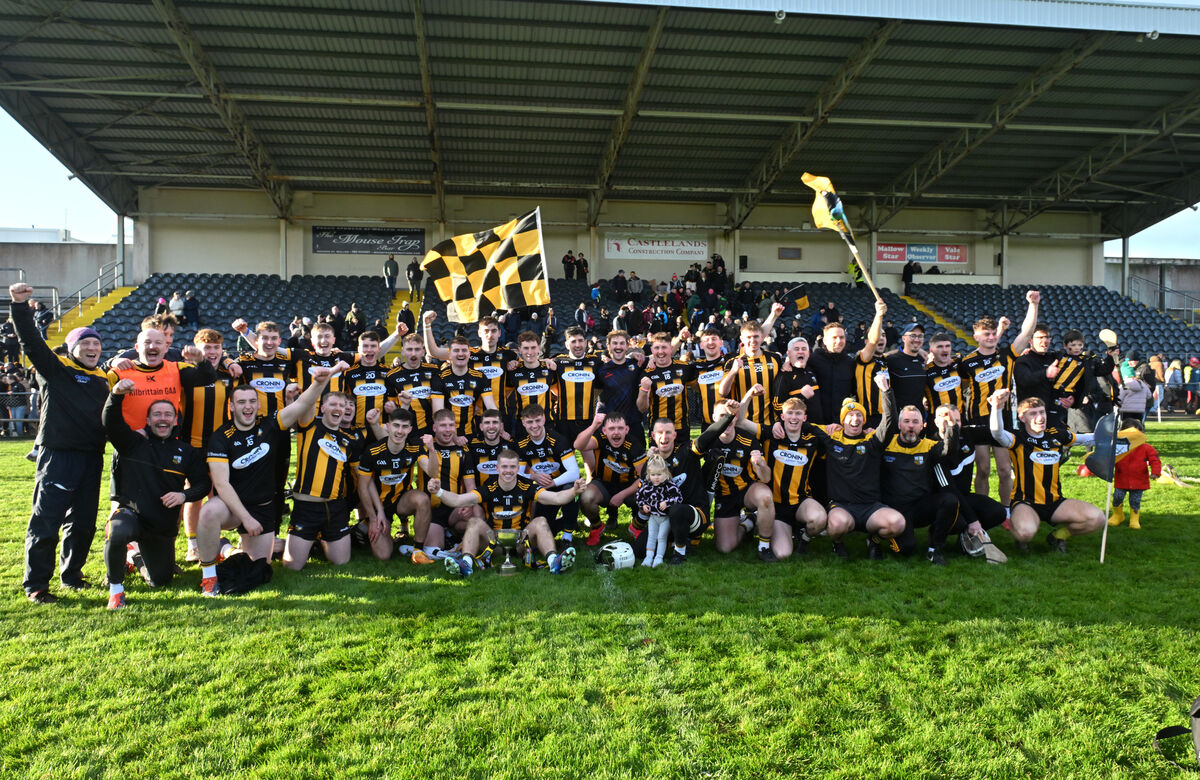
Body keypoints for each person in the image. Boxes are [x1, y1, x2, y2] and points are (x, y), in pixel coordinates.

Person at [10, 283, 110, 603]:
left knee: (83, 523)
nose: (92, 347)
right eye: (85, 343)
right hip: (58, 455)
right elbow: (30, 341)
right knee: (47, 521)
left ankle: (72, 574)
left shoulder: (105, 378)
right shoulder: (57, 369)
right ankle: (37, 585)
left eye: (96, 343)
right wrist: (19, 306)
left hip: (92, 457)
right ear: (71, 348)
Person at [101, 382, 210, 609]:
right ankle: (116, 591)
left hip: (161, 525)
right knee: (117, 530)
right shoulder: (132, 443)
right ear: (148, 420)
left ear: (175, 420)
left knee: (160, 581)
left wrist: (184, 495)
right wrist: (115, 395)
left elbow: (203, 484)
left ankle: (135, 557)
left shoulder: (186, 452)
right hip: (131, 514)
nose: (163, 419)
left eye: (168, 415)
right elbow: (110, 422)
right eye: (157, 414)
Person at [430, 449, 586, 576]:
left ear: (518, 468)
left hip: (522, 542)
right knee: (474, 522)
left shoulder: (527, 486)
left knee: (541, 521)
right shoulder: (489, 487)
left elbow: (557, 497)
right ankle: (466, 565)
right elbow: (457, 501)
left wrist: (574, 490)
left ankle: (554, 563)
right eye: (504, 467)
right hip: (494, 543)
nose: (508, 471)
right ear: (497, 468)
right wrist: (438, 492)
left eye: (512, 467)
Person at [988, 389, 1103, 553]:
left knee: (1097, 518)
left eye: (1042, 412)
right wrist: (997, 408)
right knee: (1025, 533)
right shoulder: (1017, 438)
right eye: (1033, 414)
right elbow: (997, 434)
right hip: (1026, 502)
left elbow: (1086, 438)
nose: (1040, 417)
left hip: (1055, 502)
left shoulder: (1056, 435)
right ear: (1022, 418)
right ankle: (1021, 537)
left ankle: (1058, 536)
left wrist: (1113, 435)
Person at [958, 290, 1039, 504]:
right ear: (976, 337)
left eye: (994, 333)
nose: (991, 337)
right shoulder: (966, 362)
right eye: (986, 334)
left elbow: (1027, 332)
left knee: (1004, 470)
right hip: (977, 420)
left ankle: (1005, 511)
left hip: (1003, 419)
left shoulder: (1007, 355)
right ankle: (983, 511)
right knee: (983, 470)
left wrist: (1033, 304)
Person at [282, 362, 358, 571]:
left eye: (342, 406)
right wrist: (329, 374)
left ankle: (318, 540)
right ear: (323, 408)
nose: (338, 409)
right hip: (307, 507)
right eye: (333, 405)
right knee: (292, 567)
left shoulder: (348, 440)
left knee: (341, 562)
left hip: (335, 508)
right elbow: (307, 401)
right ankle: (304, 540)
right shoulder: (309, 426)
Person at [355, 408, 431, 560]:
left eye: (404, 427)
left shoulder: (414, 446)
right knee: (383, 555)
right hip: (379, 505)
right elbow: (363, 487)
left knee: (422, 499)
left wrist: (433, 450)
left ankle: (418, 550)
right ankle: (366, 525)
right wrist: (374, 517)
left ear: (410, 429)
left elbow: (432, 471)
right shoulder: (373, 451)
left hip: (402, 500)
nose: (399, 431)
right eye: (396, 425)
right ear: (388, 426)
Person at [807, 299, 886, 425]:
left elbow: (873, 342)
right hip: (817, 426)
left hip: (842, 426)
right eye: (834, 338)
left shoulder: (850, 363)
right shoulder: (812, 360)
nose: (839, 341)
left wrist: (879, 315)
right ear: (825, 340)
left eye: (842, 337)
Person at [575, 410, 647, 545]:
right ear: (604, 430)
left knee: (649, 495)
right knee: (585, 497)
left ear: (627, 430)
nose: (616, 433)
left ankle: (637, 526)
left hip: (628, 486)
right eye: (612, 428)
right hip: (603, 484)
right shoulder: (600, 438)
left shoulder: (634, 445)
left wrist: (622, 494)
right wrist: (593, 426)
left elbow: (644, 478)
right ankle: (596, 527)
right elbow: (578, 445)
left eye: (620, 428)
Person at [1106, 418, 1161, 530]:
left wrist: (1156, 472)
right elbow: (1110, 459)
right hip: (1121, 479)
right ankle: (1118, 515)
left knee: (1135, 500)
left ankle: (1134, 519)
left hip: (1139, 481)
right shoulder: (1119, 447)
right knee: (1117, 497)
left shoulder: (1146, 448)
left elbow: (1155, 460)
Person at [635, 455, 684, 567]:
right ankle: (648, 557)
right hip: (653, 517)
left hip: (665, 518)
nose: (656, 478)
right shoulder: (647, 486)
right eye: (653, 475)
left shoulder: (670, 486)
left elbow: (679, 498)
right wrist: (643, 505)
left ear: (666, 473)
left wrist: (667, 502)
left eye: (659, 474)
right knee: (651, 536)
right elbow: (638, 496)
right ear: (648, 475)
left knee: (662, 537)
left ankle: (659, 557)